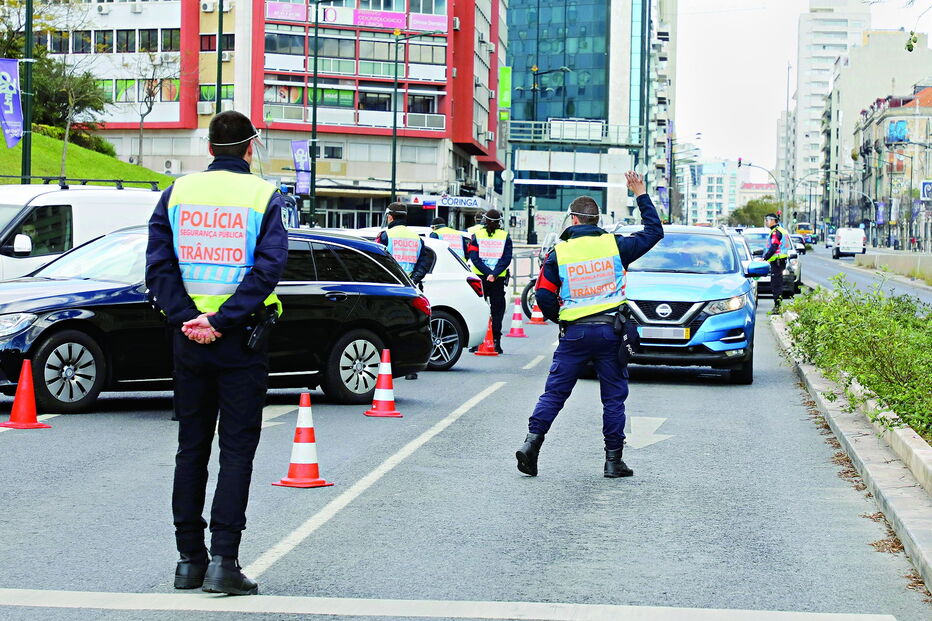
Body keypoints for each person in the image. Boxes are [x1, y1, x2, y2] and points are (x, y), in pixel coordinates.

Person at [146, 110, 288, 596]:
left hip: (186, 340)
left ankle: (189, 560)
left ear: (210, 148)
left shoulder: (177, 193)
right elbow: (268, 270)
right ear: (251, 147)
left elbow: (158, 266)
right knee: (237, 451)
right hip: (241, 341)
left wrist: (189, 317)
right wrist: (221, 320)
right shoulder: (264, 196)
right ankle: (223, 561)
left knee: (191, 448)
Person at [516, 172, 663, 478]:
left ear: (574, 219)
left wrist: (563, 318)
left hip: (576, 334)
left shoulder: (560, 253)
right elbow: (654, 232)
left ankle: (531, 446)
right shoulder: (615, 246)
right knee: (613, 398)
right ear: (596, 220)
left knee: (554, 394)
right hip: (611, 332)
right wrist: (640, 194)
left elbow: (543, 296)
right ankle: (613, 461)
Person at [467, 209, 513, 354]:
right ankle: (496, 343)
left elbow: (474, 258)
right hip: (497, 279)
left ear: (485, 221)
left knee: (479, 309)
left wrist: (487, 273)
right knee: (497, 311)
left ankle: (477, 343)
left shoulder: (477, 235)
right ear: (500, 222)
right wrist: (494, 274)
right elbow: (506, 258)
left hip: (481, 277)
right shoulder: (505, 236)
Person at [376, 203, 431, 285]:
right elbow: (423, 264)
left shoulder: (385, 235)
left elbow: (376, 260)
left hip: (388, 284)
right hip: (408, 286)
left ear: (390, 217)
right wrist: (413, 280)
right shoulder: (417, 238)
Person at [761, 213, 792, 313]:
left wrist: (765, 258)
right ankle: (777, 306)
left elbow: (774, 247)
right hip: (779, 261)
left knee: (776, 284)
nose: (766, 222)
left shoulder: (776, 232)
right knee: (776, 283)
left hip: (777, 261)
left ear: (773, 220)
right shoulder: (780, 230)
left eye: (767, 220)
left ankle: (777, 307)